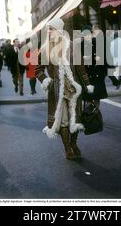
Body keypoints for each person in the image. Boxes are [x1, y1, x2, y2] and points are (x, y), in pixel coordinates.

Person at [35, 18, 93, 160]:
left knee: (75, 118)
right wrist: (46, 80)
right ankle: (67, 147)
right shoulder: (45, 49)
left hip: (74, 90)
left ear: (59, 30)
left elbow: (81, 68)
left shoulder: (72, 46)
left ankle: (74, 144)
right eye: (48, 29)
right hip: (57, 91)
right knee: (63, 121)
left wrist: (87, 84)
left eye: (51, 29)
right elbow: (38, 70)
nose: (49, 32)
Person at [81, 24, 107, 107]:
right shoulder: (80, 46)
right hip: (87, 76)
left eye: (88, 34)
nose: (87, 36)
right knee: (88, 98)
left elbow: (103, 59)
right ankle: (89, 116)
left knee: (96, 97)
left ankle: (95, 115)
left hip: (97, 75)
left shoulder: (97, 43)